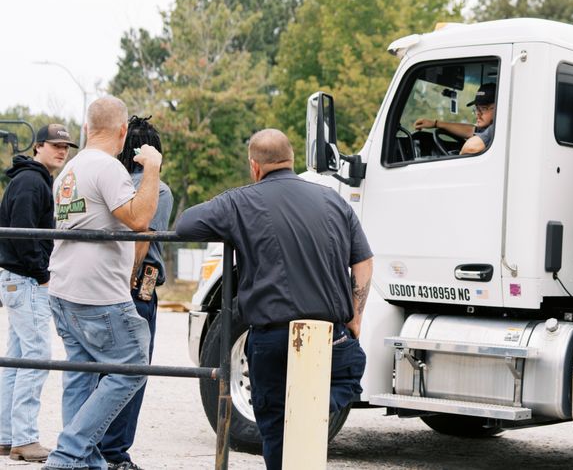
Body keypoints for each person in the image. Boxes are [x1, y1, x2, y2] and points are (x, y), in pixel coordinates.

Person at [175, 128, 373, 470]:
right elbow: (364, 262)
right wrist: (355, 316)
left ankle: (289, 428)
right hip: (332, 336)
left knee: (274, 425)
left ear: (255, 166)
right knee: (348, 375)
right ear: (292, 160)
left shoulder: (240, 201)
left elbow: (185, 225)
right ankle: (307, 413)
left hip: (273, 339)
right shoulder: (333, 200)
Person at [43, 97, 162, 470]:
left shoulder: (69, 171)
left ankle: (85, 461)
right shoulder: (108, 168)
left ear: (86, 126)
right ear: (123, 131)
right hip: (98, 294)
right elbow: (140, 219)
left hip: (64, 290)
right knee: (133, 366)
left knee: (80, 376)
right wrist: (153, 167)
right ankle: (66, 456)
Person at [98, 116, 173, 470]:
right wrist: (128, 285)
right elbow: (142, 240)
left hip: (100, 287)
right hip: (136, 287)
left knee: (101, 371)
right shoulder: (156, 187)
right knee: (133, 374)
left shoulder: (110, 182)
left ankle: (94, 446)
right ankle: (116, 454)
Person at [0, 124, 77, 463]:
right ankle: (26, 439)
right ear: (39, 146)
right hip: (26, 279)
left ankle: (6, 436)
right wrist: (42, 274)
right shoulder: (32, 181)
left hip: (16, 278)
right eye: (56, 145)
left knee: (17, 360)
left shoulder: (29, 178)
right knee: (36, 357)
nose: (62, 151)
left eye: (66, 146)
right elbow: (23, 233)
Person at [413, 81, 497, 155]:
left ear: (498, 108)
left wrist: (459, 156)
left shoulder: (497, 127)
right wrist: (436, 123)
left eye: (483, 108)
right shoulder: (486, 128)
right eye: (476, 109)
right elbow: (471, 130)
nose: (478, 114)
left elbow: (471, 148)